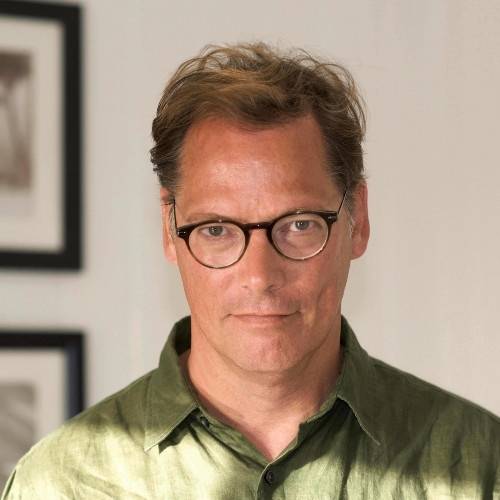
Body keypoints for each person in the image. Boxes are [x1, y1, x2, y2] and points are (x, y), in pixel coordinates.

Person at [2, 42, 499, 500]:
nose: (260, 275)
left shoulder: (481, 466)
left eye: (299, 224)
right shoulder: (59, 484)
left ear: (358, 220)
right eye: (217, 229)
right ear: (169, 228)